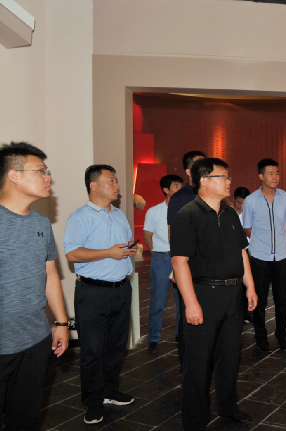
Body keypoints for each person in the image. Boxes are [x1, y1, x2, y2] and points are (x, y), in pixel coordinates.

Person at [171, 158, 257, 430]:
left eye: (228, 176)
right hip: (203, 294)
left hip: (233, 295)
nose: (229, 181)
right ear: (204, 181)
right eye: (223, 176)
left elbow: (241, 252)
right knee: (198, 361)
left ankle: (228, 406)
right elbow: (179, 262)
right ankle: (195, 419)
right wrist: (190, 303)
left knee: (230, 356)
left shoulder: (230, 214)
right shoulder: (187, 215)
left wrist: (250, 286)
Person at [0, 142, 69, 431]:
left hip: (35, 339)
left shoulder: (41, 223)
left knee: (25, 419)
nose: (48, 177)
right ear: (13, 175)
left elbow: (50, 274)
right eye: (40, 171)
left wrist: (62, 323)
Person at [64, 164, 137, 425]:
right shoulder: (79, 217)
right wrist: (109, 252)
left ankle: (109, 390)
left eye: (116, 181)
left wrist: (129, 250)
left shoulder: (118, 214)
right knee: (93, 351)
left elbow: (123, 246)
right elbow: (72, 254)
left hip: (121, 289)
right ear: (94, 185)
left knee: (116, 347)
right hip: (92, 292)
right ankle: (93, 402)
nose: (117, 185)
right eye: (111, 181)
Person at [242, 158, 286, 353]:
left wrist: (276, 240)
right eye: (271, 173)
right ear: (261, 176)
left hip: (281, 256)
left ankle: (281, 336)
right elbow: (247, 227)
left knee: (282, 300)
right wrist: (263, 241)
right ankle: (261, 338)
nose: (275, 177)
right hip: (258, 257)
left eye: (277, 173)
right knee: (259, 301)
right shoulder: (251, 200)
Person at [167, 150, 205, 365]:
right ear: (189, 171)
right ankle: (187, 364)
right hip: (188, 267)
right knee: (187, 316)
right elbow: (173, 236)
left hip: (211, 269)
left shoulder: (212, 195)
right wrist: (177, 268)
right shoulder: (180, 198)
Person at [143, 174, 184, 354]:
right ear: (166, 190)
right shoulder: (154, 211)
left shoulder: (186, 210)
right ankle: (153, 338)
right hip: (162, 258)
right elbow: (147, 237)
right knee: (157, 301)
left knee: (182, 300)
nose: (180, 189)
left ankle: (181, 335)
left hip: (181, 259)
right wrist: (157, 254)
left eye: (181, 186)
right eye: (176, 186)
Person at [233, 186, 253, 324]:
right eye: (239, 203)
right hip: (234, 252)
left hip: (249, 251)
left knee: (249, 283)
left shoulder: (251, 213)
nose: (241, 206)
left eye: (244, 204)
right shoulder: (227, 213)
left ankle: (248, 313)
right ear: (234, 199)